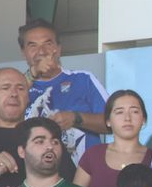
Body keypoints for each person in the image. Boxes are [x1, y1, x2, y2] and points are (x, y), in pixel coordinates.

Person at [19, 20, 108, 162]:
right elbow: (6, 121)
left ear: (58, 49)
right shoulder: (19, 88)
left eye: (47, 44)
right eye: (32, 45)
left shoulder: (83, 79)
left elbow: (112, 123)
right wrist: (33, 73)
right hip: (34, 177)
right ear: (23, 53)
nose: (41, 51)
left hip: (84, 176)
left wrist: (76, 118)